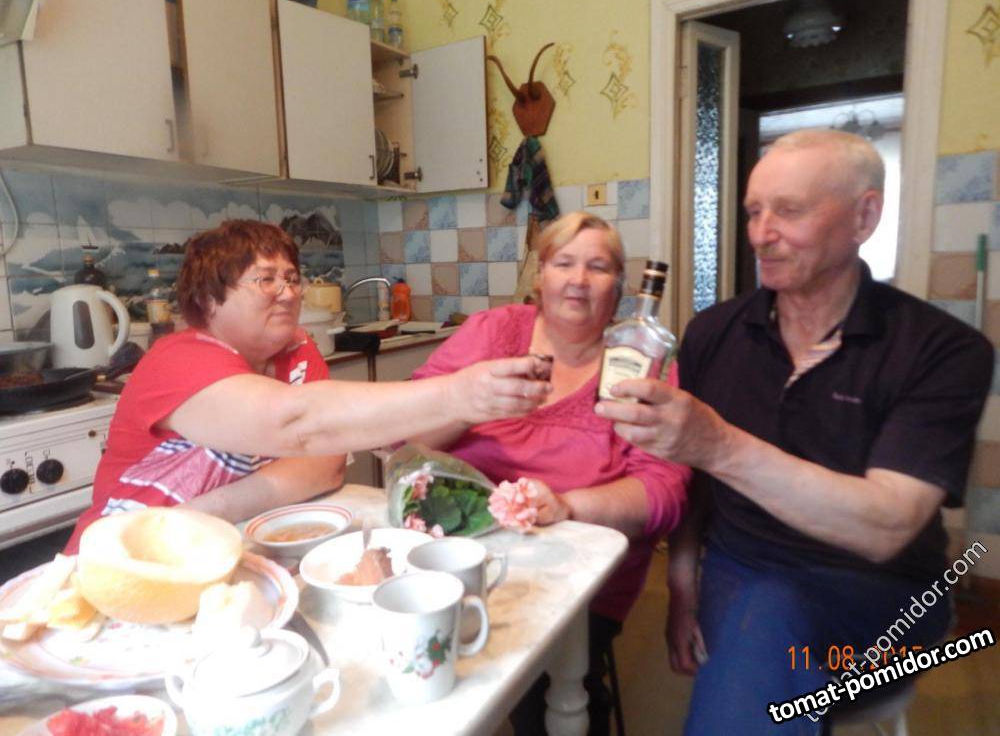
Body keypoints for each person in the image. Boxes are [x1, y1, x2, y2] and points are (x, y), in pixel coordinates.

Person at [596, 129, 994, 734]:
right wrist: (681, 586)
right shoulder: (713, 333)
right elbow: (693, 484)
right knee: (766, 623)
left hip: (885, 594)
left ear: (864, 216)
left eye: (789, 210)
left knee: (767, 626)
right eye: (754, 211)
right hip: (740, 567)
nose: (761, 233)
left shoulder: (942, 350)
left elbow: (886, 527)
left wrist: (717, 443)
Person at [66, 220, 553, 552]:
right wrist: (458, 395)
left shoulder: (296, 350)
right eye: (265, 280)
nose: (289, 292)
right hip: (122, 554)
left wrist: (204, 512)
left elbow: (324, 460)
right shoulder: (179, 358)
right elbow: (295, 423)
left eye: (292, 277)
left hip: (212, 542)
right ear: (210, 299)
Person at [409, 211, 691, 735]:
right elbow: (405, 436)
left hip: (574, 571)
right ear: (541, 275)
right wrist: (469, 404)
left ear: (619, 287)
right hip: (461, 545)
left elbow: (664, 493)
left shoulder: (642, 362)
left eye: (598, 267)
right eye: (564, 263)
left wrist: (567, 505)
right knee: (410, 649)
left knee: (533, 683)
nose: (578, 279)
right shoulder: (492, 332)